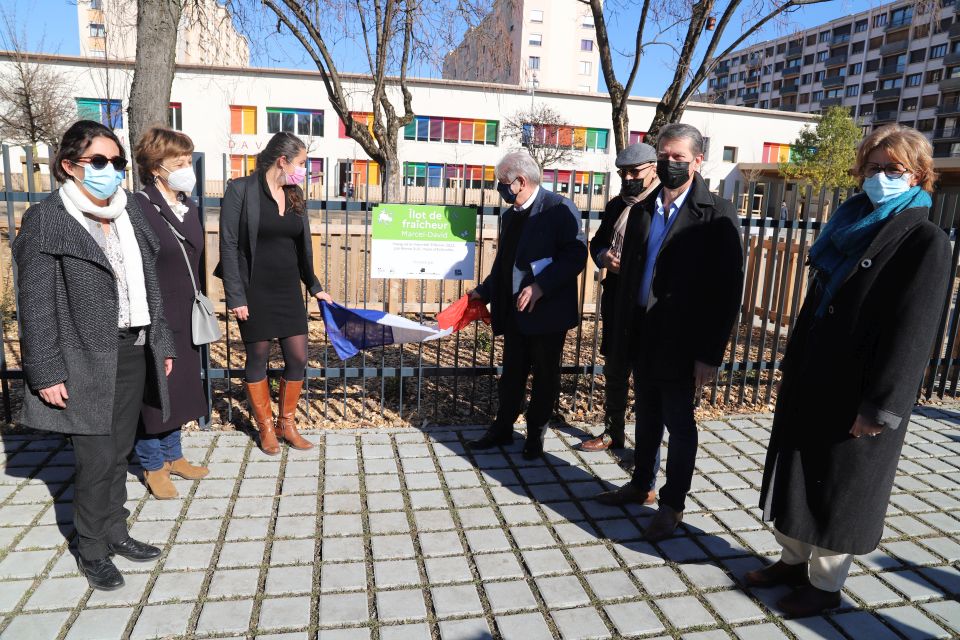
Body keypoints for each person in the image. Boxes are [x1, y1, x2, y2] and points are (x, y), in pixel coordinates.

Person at [750, 125, 951, 617]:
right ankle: (792, 561)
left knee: (839, 487)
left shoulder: (925, 240)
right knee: (800, 473)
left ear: (919, 175)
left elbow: (913, 334)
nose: (880, 176)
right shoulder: (848, 220)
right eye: (873, 167)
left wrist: (881, 406)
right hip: (815, 374)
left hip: (859, 388)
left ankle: (824, 588)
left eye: (894, 169)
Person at [14, 120, 176, 590]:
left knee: (119, 451)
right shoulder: (49, 219)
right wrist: (44, 369)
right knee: (95, 458)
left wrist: (160, 340)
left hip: (133, 347)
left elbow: (150, 286)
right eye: (99, 161)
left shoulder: (130, 213)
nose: (112, 171)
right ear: (69, 166)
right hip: (83, 357)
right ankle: (91, 548)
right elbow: (36, 303)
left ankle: (115, 530)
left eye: (118, 162)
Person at [595, 123, 744, 543]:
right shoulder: (642, 209)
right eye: (664, 155)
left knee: (679, 425)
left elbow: (727, 290)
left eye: (680, 157)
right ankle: (641, 483)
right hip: (641, 333)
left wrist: (710, 353)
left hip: (682, 341)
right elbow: (629, 275)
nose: (670, 163)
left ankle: (672, 504)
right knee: (645, 416)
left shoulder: (716, 214)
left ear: (698, 161)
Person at [465, 151, 587, 460]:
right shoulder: (511, 215)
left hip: (547, 314)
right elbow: (504, 266)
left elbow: (575, 255)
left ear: (520, 182)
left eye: (502, 182)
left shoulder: (559, 209)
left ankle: (535, 436)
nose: (499, 188)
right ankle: (503, 428)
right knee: (512, 375)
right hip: (516, 312)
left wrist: (540, 286)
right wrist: (484, 291)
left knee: (545, 377)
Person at [216, 131, 333, 455]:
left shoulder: (295, 194)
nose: (304, 170)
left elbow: (302, 246)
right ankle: (266, 428)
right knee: (258, 359)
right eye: (301, 162)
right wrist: (236, 296)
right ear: (282, 160)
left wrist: (315, 287)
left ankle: (287, 423)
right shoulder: (241, 190)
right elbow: (228, 245)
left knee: (297, 357)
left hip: (287, 290)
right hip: (254, 290)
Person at [581, 142, 661, 504]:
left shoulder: (662, 204)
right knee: (614, 370)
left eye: (635, 172)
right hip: (616, 302)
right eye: (623, 173)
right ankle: (613, 432)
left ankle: (646, 469)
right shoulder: (617, 205)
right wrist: (604, 258)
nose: (628, 179)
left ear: (653, 168)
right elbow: (596, 242)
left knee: (647, 389)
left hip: (647, 311)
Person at [132, 127, 210, 499]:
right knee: (155, 390)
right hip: (155, 312)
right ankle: (152, 464)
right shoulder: (140, 206)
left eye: (188, 160)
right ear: (155, 167)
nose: (186, 167)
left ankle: (174, 454)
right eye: (177, 161)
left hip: (186, 312)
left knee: (180, 387)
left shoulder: (188, 206)